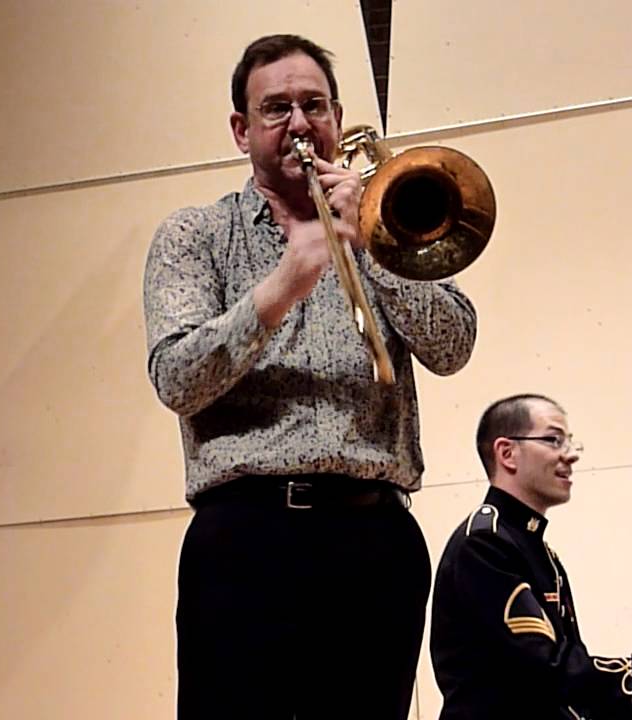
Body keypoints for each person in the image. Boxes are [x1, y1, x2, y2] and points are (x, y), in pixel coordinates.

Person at [142, 34, 477, 719]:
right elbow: (177, 377)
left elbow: (454, 345)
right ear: (241, 130)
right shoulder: (194, 236)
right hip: (244, 540)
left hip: (374, 539)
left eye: (314, 105)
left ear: (336, 115)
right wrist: (284, 284)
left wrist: (371, 244)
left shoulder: (385, 223)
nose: (299, 123)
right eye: (276, 109)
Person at [430, 394, 632, 719]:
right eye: (554, 440)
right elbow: (545, 668)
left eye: (569, 442)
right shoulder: (484, 544)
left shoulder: (534, 548)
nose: (570, 456)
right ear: (507, 453)